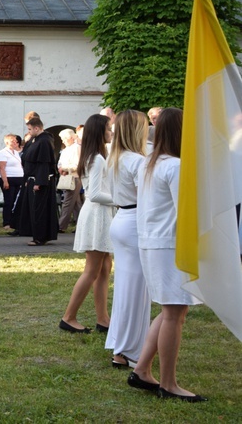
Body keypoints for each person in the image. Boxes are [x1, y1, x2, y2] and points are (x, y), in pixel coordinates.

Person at [129, 108, 207, 402]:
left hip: (154, 242)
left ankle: (142, 370)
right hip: (168, 245)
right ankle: (169, 383)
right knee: (174, 314)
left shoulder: (151, 162)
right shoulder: (174, 166)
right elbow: (187, 210)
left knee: (171, 311)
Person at [106, 110, 151, 369]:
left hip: (122, 219)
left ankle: (122, 348)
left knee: (126, 287)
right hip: (134, 221)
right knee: (136, 290)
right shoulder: (136, 160)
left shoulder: (116, 157)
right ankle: (129, 350)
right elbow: (150, 197)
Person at [60, 114, 114, 333]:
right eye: (109, 128)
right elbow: (94, 194)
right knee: (92, 270)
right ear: (100, 132)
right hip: (97, 215)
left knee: (105, 268)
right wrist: (122, 199)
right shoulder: (97, 158)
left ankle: (103, 319)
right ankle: (69, 317)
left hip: (101, 214)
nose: (111, 132)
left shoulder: (96, 156)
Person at [17, 116, 58, 245]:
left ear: (37, 128)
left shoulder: (44, 141)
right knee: (33, 209)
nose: (28, 132)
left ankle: (40, 237)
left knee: (39, 210)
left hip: (39, 181)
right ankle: (37, 235)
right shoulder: (36, 140)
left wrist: (39, 182)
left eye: (30, 129)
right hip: (32, 179)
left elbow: (43, 163)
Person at [57, 128, 83, 232]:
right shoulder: (66, 149)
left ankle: (61, 226)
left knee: (67, 202)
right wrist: (60, 169)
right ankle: (81, 225)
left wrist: (65, 169)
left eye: (64, 138)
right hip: (66, 176)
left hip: (74, 177)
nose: (62, 141)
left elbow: (77, 164)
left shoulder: (77, 148)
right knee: (76, 203)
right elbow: (60, 162)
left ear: (71, 138)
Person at [0, 134, 24, 230]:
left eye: (15, 140)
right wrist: (5, 181)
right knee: (9, 200)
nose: (15, 142)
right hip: (9, 178)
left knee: (16, 201)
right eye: (12, 140)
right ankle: (7, 222)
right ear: (7, 142)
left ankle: (15, 221)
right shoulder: (3, 152)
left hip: (18, 178)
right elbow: (1, 167)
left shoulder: (16, 153)